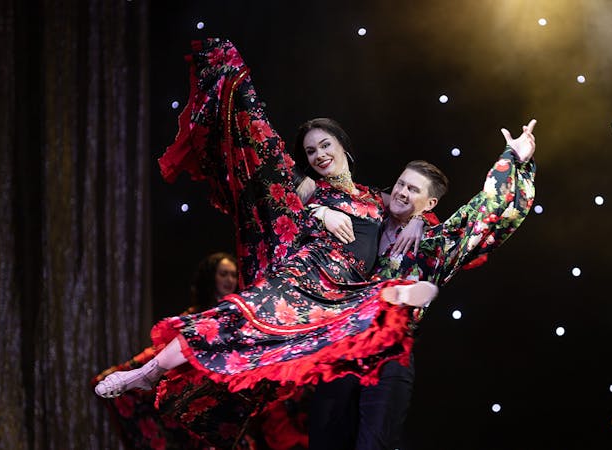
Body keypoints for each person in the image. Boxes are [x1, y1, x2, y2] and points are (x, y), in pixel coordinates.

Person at [94, 38, 436, 449]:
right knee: (231, 317)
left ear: (343, 145)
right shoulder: (311, 186)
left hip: (340, 300)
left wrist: (417, 218)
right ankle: (146, 372)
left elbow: (407, 205)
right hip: (302, 280)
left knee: (352, 348)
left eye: (326, 145)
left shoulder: (373, 198)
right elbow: (279, 198)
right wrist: (319, 213)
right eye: (311, 151)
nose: (319, 154)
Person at [308, 120, 538, 449]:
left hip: (389, 360)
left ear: (430, 204)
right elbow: (309, 198)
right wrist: (321, 213)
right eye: (402, 184)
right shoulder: (366, 215)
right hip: (339, 350)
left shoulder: (433, 245)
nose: (402, 192)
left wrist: (514, 157)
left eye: (413, 190)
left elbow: (486, 208)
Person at [92, 252, 238, 449]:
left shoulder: (240, 316)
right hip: (199, 399)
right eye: (223, 274)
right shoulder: (196, 316)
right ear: (211, 277)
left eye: (233, 275)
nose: (230, 280)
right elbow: (162, 351)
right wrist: (128, 368)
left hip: (231, 399)